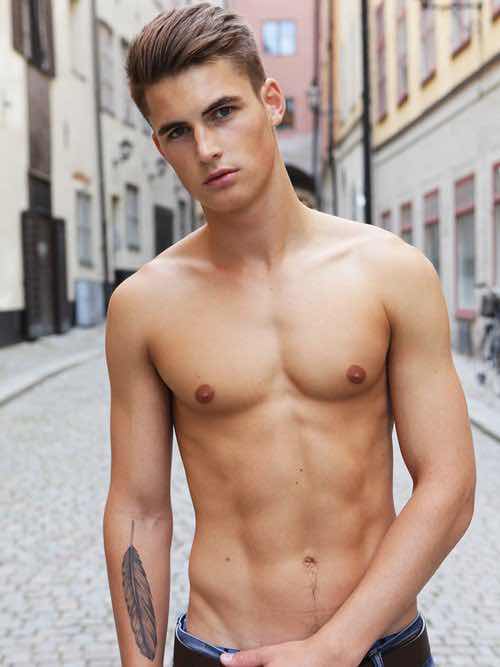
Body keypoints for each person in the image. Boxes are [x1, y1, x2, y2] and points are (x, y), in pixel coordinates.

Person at [103, 4, 476, 666]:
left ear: (271, 101)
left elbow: (448, 483)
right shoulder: (144, 305)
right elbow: (140, 511)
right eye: (178, 131)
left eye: (223, 111)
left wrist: (336, 645)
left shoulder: (391, 272)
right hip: (222, 648)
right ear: (160, 147)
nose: (206, 148)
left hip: (379, 647)